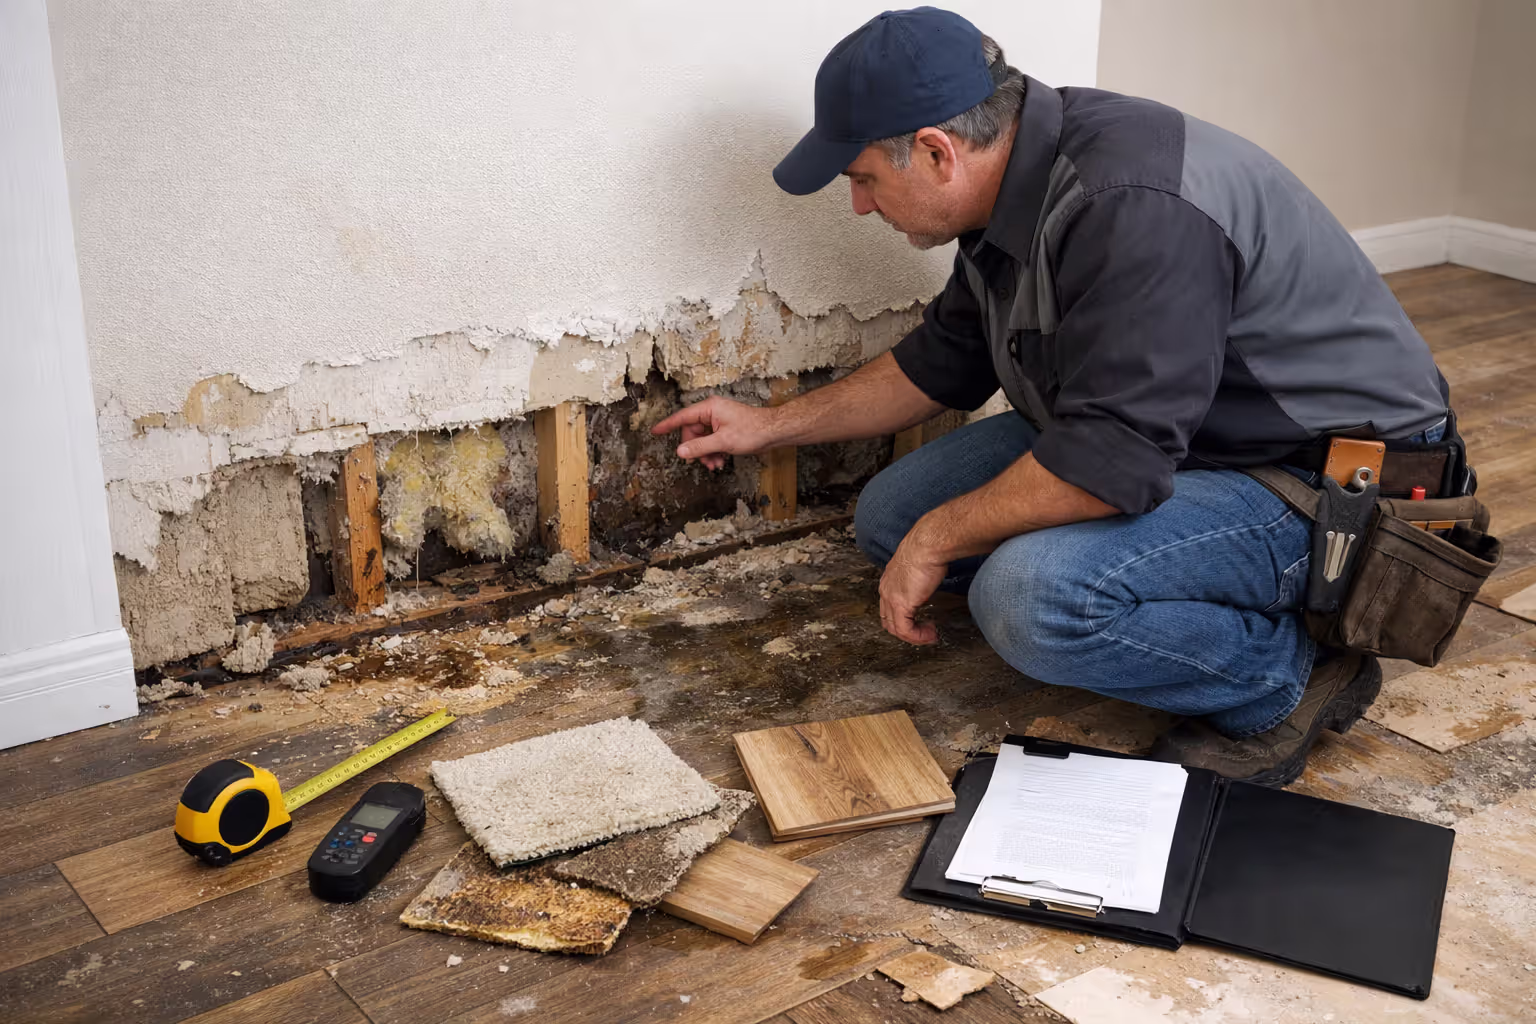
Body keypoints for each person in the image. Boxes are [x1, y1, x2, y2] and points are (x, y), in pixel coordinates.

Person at [651, 7, 1460, 786]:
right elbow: (941, 364)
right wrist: (768, 426)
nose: (860, 204)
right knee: (891, 517)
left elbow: (1112, 461)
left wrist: (941, 541)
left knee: (1030, 597)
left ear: (937, 152)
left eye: (862, 179)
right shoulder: (1013, 186)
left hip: (1328, 486)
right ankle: (1155, 603)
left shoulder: (1130, 205)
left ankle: (1287, 675)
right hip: (1186, 441)